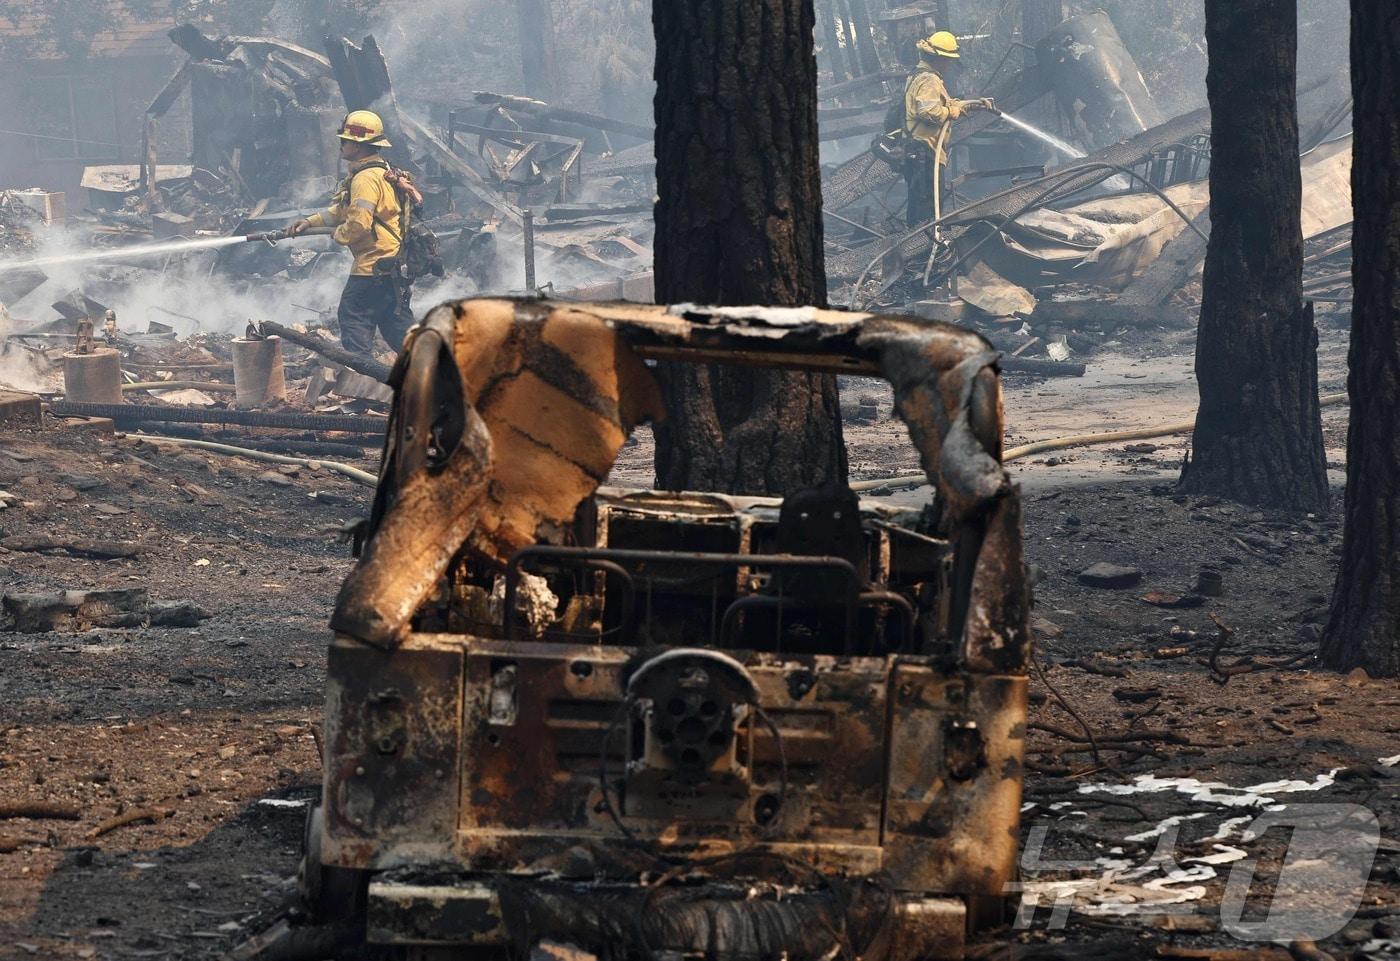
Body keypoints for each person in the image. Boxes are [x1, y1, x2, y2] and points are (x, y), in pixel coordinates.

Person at [288, 110, 414, 359]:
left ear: (357, 145)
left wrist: (338, 235)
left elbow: (357, 225)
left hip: (372, 265)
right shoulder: (381, 172)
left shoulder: (365, 179)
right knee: (395, 327)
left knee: (353, 317)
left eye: (345, 140)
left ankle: (365, 384)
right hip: (393, 264)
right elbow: (341, 211)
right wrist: (309, 222)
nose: (341, 145)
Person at [903, 31, 996, 228]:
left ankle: (919, 244)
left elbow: (943, 103)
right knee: (927, 207)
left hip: (920, 150)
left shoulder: (919, 75)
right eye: (948, 60)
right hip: (925, 152)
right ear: (938, 59)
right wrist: (953, 112)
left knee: (922, 203)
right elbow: (929, 111)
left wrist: (972, 104)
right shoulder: (929, 79)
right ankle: (925, 248)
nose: (949, 65)